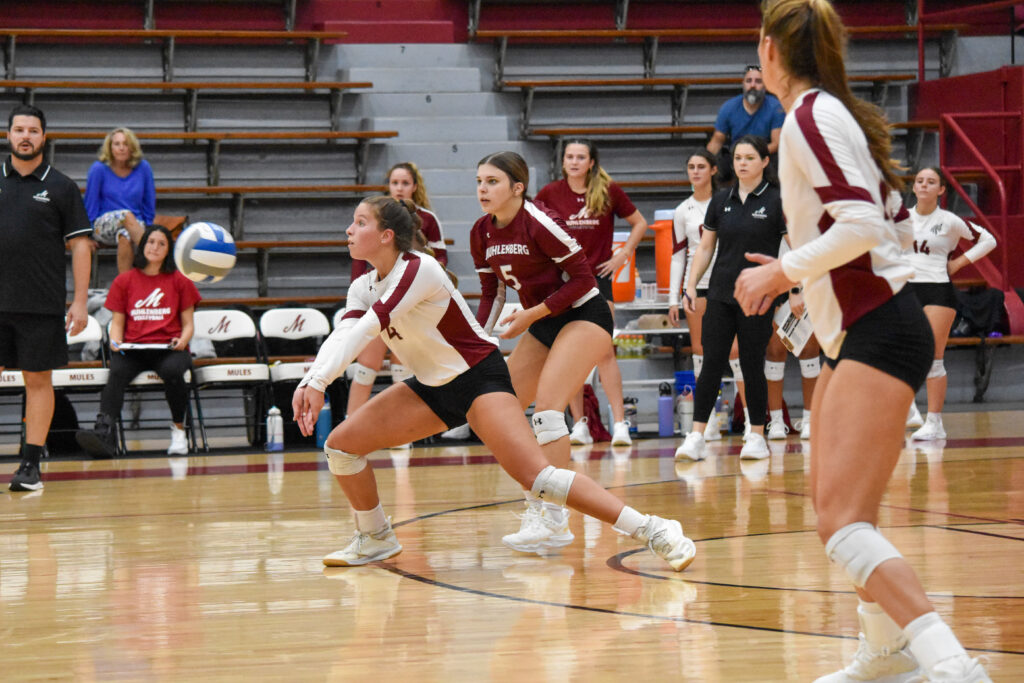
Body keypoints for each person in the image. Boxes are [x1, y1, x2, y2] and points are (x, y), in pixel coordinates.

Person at [735, 2, 992, 681]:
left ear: (768, 49)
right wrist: (810, 276)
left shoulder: (806, 120)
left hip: (877, 327)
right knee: (845, 511)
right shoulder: (835, 114)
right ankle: (885, 652)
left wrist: (785, 272)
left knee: (840, 522)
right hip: (871, 325)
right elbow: (897, 222)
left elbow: (863, 228)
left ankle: (952, 663)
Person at [291, 195, 696, 572]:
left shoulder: (419, 269)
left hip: (478, 378)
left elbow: (368, 328)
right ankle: (375, 536)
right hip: (431, 388)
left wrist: (319, 382)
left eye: (359, 222)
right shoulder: (362, 285)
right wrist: (311, 378)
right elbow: (344, 334)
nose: (349, 229)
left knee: (540, 479)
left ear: (386, 236)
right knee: (341, 447)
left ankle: (654, 529)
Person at [471, 151, 623, 554]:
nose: (483, 189)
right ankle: (535, 505)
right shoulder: (480, 231)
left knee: (549, 411)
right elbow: (493, 292)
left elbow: (584, 278)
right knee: (501, 409)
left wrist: (532, 314)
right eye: (479, 182)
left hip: (584, 313)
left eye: (492, 182)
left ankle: (554, 517)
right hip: (541, 320)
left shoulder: (540, 222)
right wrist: (480, 341)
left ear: (517, 188)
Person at [675, 135, 788, 463]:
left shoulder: (778, 201)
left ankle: (756, 435)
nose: (742, 163)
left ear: (764, 162)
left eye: (750, 158)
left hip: (757, 296)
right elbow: (706, 247)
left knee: (752, 363)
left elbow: (793, 247)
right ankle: (696, 436)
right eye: (738, 157)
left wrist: (791, 288)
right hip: (721, 293)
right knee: (711, 362)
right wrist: (690, 285)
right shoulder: (720, 199)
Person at [1, 104, 93, 492]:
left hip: (41, 303)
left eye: (33, 130)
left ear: (43, 137)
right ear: (8, 135)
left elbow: (82, 247)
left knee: (38, 381)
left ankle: (30, 465)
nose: (26, 136)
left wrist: (80, 301)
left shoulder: (61, 187)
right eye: (19, 129)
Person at [535, 138, 648, 447]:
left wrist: (622, 255)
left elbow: (640, 223)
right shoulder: (548, 194)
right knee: (569, 355)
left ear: (591, 162)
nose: (574, 161)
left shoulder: (608, 191)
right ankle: (580, 424)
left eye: (580, 157)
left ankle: (620, 425)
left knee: (604, 352)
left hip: (598, 280)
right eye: (569, 156)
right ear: (563, 162)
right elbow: (534, 230)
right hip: (563, 282)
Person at [74, 225, 200, 458]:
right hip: (134, 349)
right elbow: (118, 323)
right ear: (143, 246)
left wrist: (182, 340)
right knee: (116, 373)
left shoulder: (180, 281)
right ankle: (104, 434)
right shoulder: (125, 281)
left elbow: (189, 324)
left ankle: (178, 430)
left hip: (169, 349)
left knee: (173, 371)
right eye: (151, 242)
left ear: (168, 250)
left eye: (162, 244)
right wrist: (115, 342)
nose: (155, 247)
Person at [344, 163, 448, 444]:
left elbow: (440, 260)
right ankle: (348, 429)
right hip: (379, 300)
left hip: (410, 305)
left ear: (415, 186)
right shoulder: (378, 217)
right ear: (388, 186)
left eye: (405, 183)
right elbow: (360, 262)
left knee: (403, 368)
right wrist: (362, 297)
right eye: (394, 183)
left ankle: (401, 434)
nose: (399, 188)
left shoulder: (427, 219)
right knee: (367, 367)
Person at [904, 167, 996, 441]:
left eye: (931, 182)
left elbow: (988, 240)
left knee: (933, 357)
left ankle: (935, 422)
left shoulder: (949, 220)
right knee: (902, 353)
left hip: (937, 292)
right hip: (906, 290)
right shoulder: (902, 219)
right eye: (920, 181)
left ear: (941, 190)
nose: (924, 185)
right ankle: (910, 409)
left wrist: (958, 262)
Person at [669, 149, 730, 441]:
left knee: (735, 353)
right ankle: (707, 422)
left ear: (714, 170)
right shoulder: (683, 210)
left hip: (727, 284)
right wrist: (675, 295)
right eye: (691, 166)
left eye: (701, 166)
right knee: (700, 354)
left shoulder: (727, 202)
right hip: (698, 288)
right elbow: (678, 256)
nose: (695, 171)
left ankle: (753, 422)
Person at [83, 127, 156, 274]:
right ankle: (156, 262)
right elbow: (90, 203)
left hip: (135, 225)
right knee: (126, 215)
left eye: (125, 144)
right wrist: (86, 235)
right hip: (102, 225)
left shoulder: (143, 168)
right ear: (110, 148)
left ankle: (125, 288)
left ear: (132, 147)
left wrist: (147, 224)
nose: (121, 148)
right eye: (117, 144)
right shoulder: (98, 169)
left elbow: (149, 201)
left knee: (125, 237)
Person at [707, 65, 786, 181]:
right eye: (749, 81)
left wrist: (751, 155)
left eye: (758, 81)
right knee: (714, 165)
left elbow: (776, 144)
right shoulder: (729, 107)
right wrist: (705, 160)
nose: (753, 85)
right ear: (743, 84)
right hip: (736, 154)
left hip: (764, 154)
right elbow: (717, 139)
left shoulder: (776, 107)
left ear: (765, 85)